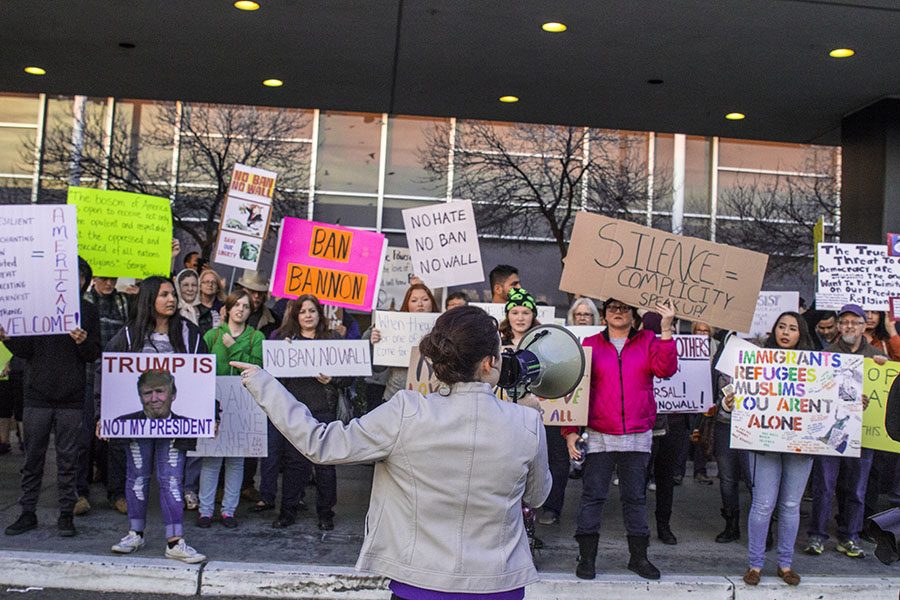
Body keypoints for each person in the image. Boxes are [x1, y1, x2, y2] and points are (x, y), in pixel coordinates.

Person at [233, 304, 552, 598]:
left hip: (419, 583)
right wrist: (530, 417)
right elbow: (537, 496)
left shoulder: (406, 411)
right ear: (489, 362)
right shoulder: (525, 421)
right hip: (498, 584)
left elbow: (320, 444)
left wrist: (265, 384)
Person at [563, 298, 677, 580]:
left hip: (637, 434)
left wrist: (665, 329)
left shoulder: (649, 340)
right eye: (612, 307)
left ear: (632, 314)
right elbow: (575, 388)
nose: (618, 312)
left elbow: (666, 370)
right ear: (603, 314)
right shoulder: (589, 344)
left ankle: (639, 558)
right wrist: (570, 431)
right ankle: (586, 558)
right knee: (593, 496)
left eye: (624, 308)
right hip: (599, 433)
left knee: (635, 498)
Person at [101, 276, 207, 563]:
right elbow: (109, 374)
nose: (171, 299)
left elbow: (206, 378)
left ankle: (175, 541)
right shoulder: (128, 335)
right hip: (139, 425)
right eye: (164, 295)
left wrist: (214, 412)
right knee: (137, 478)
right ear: (150, 299)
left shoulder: (189, 334)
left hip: (174, 425)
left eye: (173, 294)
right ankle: (135, 534)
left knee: (172, 480)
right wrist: (105, 413)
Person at [3, 257, 101, 538]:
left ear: (85, 281)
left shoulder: (88, 312)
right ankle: (27, 512)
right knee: (32, 458)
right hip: (37, 396)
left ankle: (66, 515)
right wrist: (7, 338)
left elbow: (93, 353)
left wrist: (82, 342)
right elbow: (25, 349)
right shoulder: (38, 308)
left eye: (81, 277)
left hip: (71, 397)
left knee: (69, 459)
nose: (75, 281)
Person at [726, 311, 818, 586]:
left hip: (800, 446)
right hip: (763, 445)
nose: (786, 332)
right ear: (774, 331)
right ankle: (755, 565)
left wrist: (850, 402)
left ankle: (785, 565)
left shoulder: (816, 366)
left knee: (790, 505)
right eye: (781, 326)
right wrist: (729, 404)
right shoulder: (755, 362)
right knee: (763, 504)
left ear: (801, 333)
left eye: (792, 328)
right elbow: (737, 397)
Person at [804, 304, 889, 561]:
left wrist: (883, 372)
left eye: (855, 322)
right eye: (845, 322)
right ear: (839, 326)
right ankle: (817, 535)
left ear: (865, 326)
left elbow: (885, 394)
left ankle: (850, 536)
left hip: (863, 435)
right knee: (824, 487)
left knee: (857, 490)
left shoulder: (877, 358)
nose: (849, 326)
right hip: (832, 432)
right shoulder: (826, 356)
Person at [255, 295, 347, 530]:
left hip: (323, 409)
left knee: (325, 464)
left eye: (312, 310)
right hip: (295, 411)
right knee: (294, 463)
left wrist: (332, 378)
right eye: (303, 311)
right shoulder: (286, 340)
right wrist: (282, 350)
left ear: (319, 315)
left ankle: (326, 512)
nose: (308, 315)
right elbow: (272, 374)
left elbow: (349, 376)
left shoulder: (333, 340)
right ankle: (288, 511)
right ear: (296, 315)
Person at [198, 290, 264, 529]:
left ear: (250, 311)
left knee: (236, 460)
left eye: (245, 306)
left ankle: (228, 511)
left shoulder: (256, 337)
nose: (241, 309)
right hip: (213, 403)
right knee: (211, 459)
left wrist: (234, 347)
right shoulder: (211, 335)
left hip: (242, 404)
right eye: (236, 305)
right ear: (227, 308)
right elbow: (198, 366)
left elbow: (256, 367)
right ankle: (205, 511)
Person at [84, 275, 131, 515]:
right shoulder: (83, 301)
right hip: (88, 372)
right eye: (104, 280)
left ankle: (117, 492)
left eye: (113, 280)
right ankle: (80, 492)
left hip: (117, 375)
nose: (109, 284)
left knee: (116, 439)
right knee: (86, 437)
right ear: (94, 279)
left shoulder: (123, 301)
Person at [370, 283, 439, 404]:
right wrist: (376, 344)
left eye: (425, 299)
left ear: (432, 303)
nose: (420, 304)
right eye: (414, 300)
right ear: (407, 305)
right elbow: (379, 369)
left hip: (431, 399)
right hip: (396, 398)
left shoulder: (444, 330)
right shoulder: (393, 327)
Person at [711, 330, 750, 544]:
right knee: (727, 479)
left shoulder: (763, 340)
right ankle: (731, 525)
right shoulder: (725, 341)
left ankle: (763, 530)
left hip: (754, 427)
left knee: (754, 480)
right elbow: (715, 382)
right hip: (725, 423)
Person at [235, 270, 281, 339]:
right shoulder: (226, 313)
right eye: (252, 291)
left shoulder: (274, 320)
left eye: (260, 292)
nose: (256, 296)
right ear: (242, 291)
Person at [175, 268, 212, 333]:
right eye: (185, 285)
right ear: (178, 287)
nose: (190, 289)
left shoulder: (206, 313)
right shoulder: (172, 311)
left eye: (194, 285)